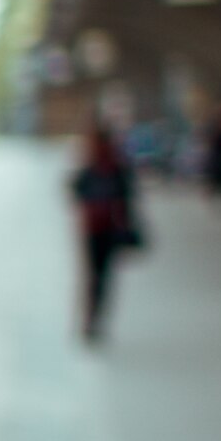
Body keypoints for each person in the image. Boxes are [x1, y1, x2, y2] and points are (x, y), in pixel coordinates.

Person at [72, 128, 140, 342]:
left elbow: (76, 189)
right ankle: (95, 317)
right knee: (103, 277)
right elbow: (128, 197)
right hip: (109, 228)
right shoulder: (115, 166)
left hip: (94, 228)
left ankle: (91, 318)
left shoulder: (91, 164)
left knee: (94, 276)